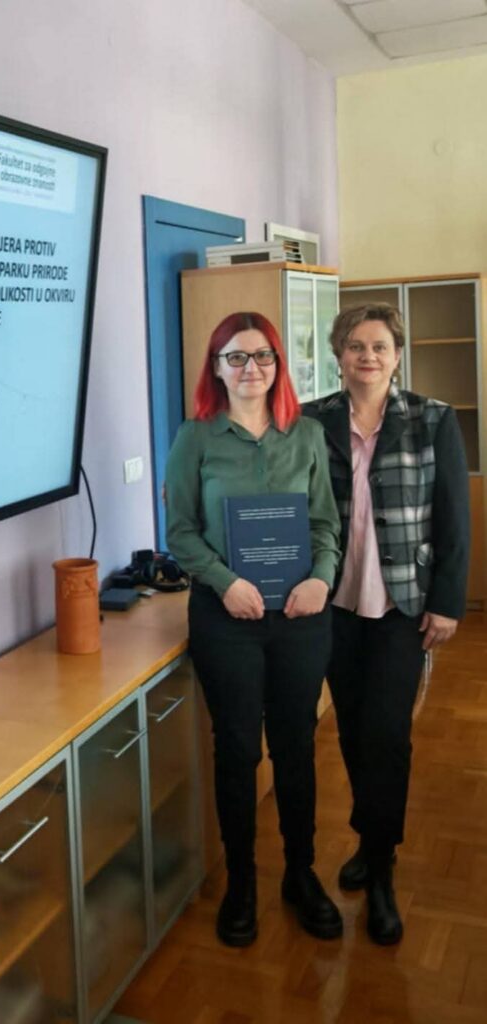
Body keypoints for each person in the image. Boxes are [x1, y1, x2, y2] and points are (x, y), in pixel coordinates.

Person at [165, 311, 342, 947]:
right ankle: (241, 881)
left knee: (295, 747)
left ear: (277, 365)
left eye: (262, 355)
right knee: (238, 750)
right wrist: (224, 581)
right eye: (236, 357)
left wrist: (321, 577)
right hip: (227, 619)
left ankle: (300, 873)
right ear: (216, 368)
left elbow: (325, 523)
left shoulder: (307, 435)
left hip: (299, 616)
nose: (251, 368)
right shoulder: (195, 438)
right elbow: (181, 531)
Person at [303, 303, 469, 945]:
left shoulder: (433, 419)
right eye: (355, 345)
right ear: (338, 355)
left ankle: (382, 869)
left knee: (389, 736)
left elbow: (453, 518)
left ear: (397, 355)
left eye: (379, 346)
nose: (366, 356)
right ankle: (369, 840)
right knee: (351, 731)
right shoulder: (312, 420)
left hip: (402, 605)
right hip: (334, 604)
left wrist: (447, 601)